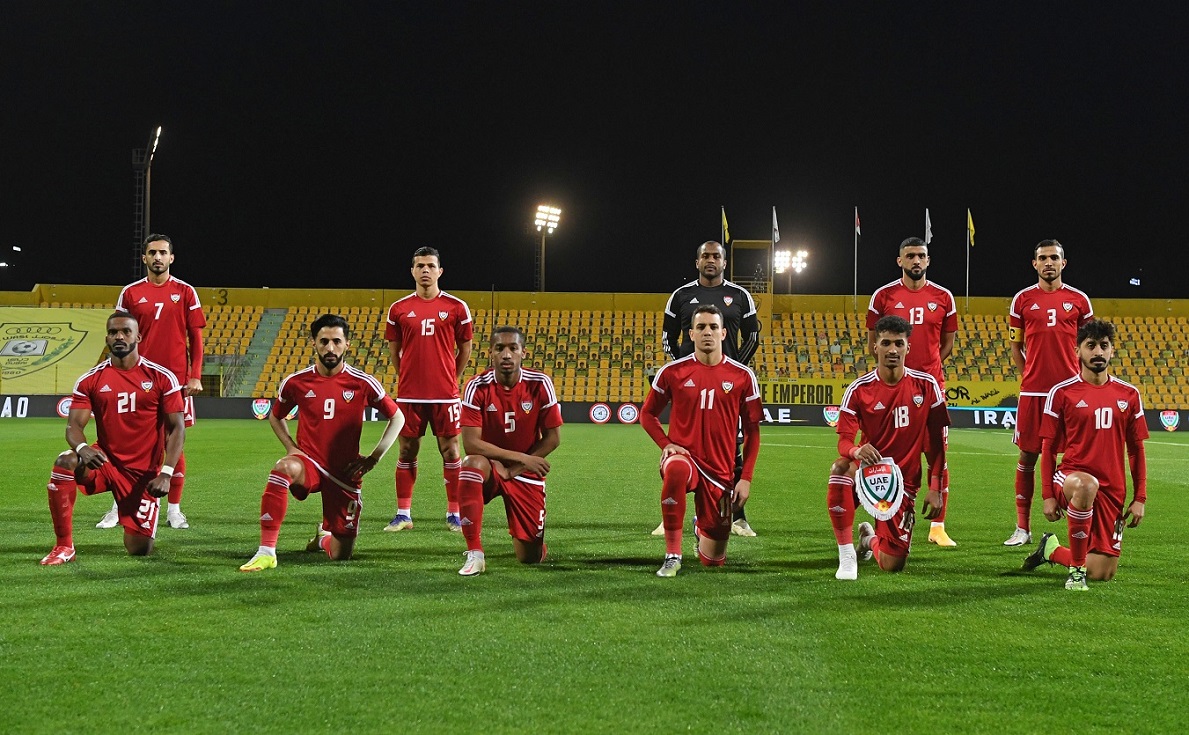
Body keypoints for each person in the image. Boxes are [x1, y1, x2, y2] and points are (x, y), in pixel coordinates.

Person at [240, 314, 404, 572]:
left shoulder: (362, 382)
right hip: (309, 463)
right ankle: (266, 551)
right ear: (314, 343)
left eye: (336, 341)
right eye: (324, 341)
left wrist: (374, 458)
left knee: (340, 555)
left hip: (345, 473)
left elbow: (397, 417)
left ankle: (322, 538)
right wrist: (291, 447)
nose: (330, 348)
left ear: (347, 344)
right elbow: (275, 416)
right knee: (283, 468)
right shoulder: (296, 382)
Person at [41, 313, 185, 565]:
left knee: (139, 549)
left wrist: (166, 473)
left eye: (126, 331)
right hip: (104, 462)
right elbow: (73, 426)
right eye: (113, 332)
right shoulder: (91, 380)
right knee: (66, 461)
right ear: (107, 338)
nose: (119, 336)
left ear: (138, 337)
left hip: (143, 474)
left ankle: (137, 513)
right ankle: (64, 546)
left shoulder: (161, 377)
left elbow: (177, 429)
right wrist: (83, 448)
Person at [1021, 319, 1148, 591]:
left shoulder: (1129, 394)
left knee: (1102, 572)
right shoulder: (1062, 392)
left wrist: (1140, 498)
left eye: (1104, 346)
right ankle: (1076, 573)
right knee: (1086, 485)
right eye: (1091, 346)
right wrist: (1047, 496)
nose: (1098, 352)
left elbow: (1136, 450)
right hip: (1071, 478)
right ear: (1077, 351)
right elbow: (1048, 448)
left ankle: (1051, 550)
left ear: (1112, 350)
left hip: (1112, 489)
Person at [642, 305, 762, 577]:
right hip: (684, 457)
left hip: (720, 470)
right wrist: (666, 445)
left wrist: (746, 478)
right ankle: (673, 555)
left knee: (713, 560)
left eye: (713, 327)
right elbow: (647, 414)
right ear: (691, 334)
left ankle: (700, 528)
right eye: (701, 327)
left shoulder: (742, 376)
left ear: (723, 334)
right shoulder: (672, 372)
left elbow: (753, 431)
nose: (707, 332)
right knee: (676, 469)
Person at [97, 234, 206, 531]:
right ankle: (119, 506)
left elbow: (196, 337)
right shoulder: (130, 293)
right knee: (126, 444)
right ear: (144, 257)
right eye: (152, 253)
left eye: (163, 252)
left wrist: (195, 374)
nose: (158, 257)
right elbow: (119, 334)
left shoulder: (185, 291)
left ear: (171, 258)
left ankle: (174, 510)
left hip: (174, 382)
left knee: (174, 442)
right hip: (136, 379)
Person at [826, 315, 948, 579]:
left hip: (904, 482)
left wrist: (936, 487)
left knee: (892, 564)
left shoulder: (927, 386)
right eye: (886, 343)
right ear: (875, 347)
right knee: (840, 470)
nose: (892, 350)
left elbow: (937, 445)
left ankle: (868, 539)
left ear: (908, 348)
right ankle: (847, 557)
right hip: (868, 473)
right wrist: (856, 451)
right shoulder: (858, 389)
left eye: (898, 343)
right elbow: (844, 441)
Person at [658, 240, 761, 537]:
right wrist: (684, 371)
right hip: (689, 386)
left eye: (716, 256)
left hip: (728, 386)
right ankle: (670, 515)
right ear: (697, 262)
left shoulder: (740, 296)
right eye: (705, 256)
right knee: (679, 446)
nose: (711, 260)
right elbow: (668, 337)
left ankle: (738, 516)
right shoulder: (680, 296)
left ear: (725, 262)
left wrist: (732, 370)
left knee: (731, 447)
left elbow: (752, 337)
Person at [866, 237, 959, 547]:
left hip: (930, 390)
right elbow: (873, 342)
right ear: (900, 261)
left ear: (928, 260)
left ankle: (938, 526)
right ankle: (884, 516)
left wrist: (925, 374)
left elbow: (947, 343)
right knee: (888, 454)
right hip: (893, 390)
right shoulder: (883, 296)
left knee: (938, 455)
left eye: (921, 255)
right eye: (910, 256)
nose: (916, 260)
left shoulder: (943, 297)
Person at [1004, 240, 1093, 546]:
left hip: (1070, 393)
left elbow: (1089, 345)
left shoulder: (1079, 301)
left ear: (1063, 263)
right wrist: (1028, 375)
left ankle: (1080, 526)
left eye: (1054, 257)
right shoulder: (1022, 300)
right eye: (1043, 258)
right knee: (1027, 456)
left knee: (1078, 458)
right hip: (1033, 394)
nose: (1049, 263)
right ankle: (1022, 528)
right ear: (1035, 264)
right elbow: (1016, 346)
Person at [455, 327, 563, 576]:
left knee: (529, 558)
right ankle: (475, 553)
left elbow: (553, 438)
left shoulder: (540, 383)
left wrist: (516, 467)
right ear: (490, 353)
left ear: (523, 353)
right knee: (470, 465)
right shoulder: (476, 386)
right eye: (500, 348)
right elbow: (471, 444)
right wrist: (519, 458)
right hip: (491, 467)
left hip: (524, 472)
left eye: (513, 348)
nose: (506, 354)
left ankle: (529, 538)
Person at [382, 246, 474, 533]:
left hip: (445, 394)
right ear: (412, 271)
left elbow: (465, 349)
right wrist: (408, 377)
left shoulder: (457, 307)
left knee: (451, 451)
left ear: (440, 271)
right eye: (420, 265)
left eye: (431, 266)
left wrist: (450, 377)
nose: (425, 270)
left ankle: (454, 514)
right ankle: (403, 514)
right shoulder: (398, 309)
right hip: (409, 394)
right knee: (407, 450)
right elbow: (394, 351)